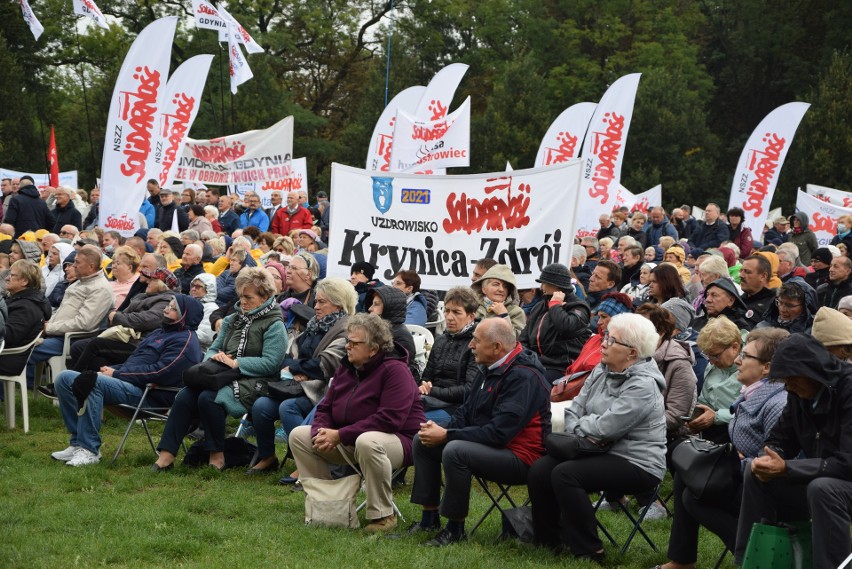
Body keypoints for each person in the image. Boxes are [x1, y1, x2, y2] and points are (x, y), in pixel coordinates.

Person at [527, 313, 666, 562]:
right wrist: (583, 428)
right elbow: (575, 408)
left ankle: (590, 550)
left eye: (612, 341)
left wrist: (583, 428)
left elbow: (606, 428)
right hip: (596, 449)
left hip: (637, 462)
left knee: (565, 474)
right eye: (606, 337)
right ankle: (549, 540)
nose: (603, 344)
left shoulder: (643, 386)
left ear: (632, 353)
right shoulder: (602, 369)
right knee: (540, 469)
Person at [409, 317, 550, 545]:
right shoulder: (491, 366)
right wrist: (442, 429)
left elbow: (499, 434)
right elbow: (466, 411)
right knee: (422, 439)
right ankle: (429, 518)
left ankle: (455, 530)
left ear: (497, 347)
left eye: (476, 340)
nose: (470, 345)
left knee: (455, 450)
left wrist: (447, 435)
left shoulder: (524, 377)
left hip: (521, 458)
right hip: (494, 447)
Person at [660, 328, 789, 569]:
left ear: (767, 368)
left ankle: (751, 557)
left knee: (694, 493)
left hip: (764, 489)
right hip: (746, 474)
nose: (739, 359)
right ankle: (684, 561)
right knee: (688, 471)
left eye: (747, 356)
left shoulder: (777, 404)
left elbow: (773, 463)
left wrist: (738, 460)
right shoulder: (755, 394)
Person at [289, 313, 424, 533]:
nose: (348, 347)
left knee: (367, 441)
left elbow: (389, 420)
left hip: (401, 442)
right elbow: (325, 407)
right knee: (299, 436)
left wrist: (340, 435)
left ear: (373, 348)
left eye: (354, 343)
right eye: (347, 341)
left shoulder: (395, 371)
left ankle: (383, 516)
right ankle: (329, 507)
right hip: (353, 438)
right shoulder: (347, 368)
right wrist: (320, 432)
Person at [734, 334, 852, 569]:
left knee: (823, 489)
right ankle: (753, 562)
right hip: (822, 478)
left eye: (791, 379)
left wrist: (789, 467)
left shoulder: (848, 389)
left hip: (843, 480)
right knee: (754, 472)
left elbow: (848, 463)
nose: (788, 386)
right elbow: (779, 438)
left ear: (811, 371)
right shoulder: (800, 393)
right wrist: (769, 456)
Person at [153, 268, 286, 471]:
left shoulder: (274, 324)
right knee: (185, 396)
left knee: (210, 398)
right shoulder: (233, 319)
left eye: (248, 297)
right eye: (241, 296)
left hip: (258, 381)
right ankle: (166, 455)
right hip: (223, 374)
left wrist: (237, 363)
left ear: (265, 297)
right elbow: (215, 347)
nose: (243, 301)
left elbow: (271, 363)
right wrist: (212, 360)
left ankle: (217, 455)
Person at [51, 295, 203, 467]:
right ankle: (77, 442)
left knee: (91, 381)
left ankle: (89, 449)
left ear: (185, 315)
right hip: (131, 385)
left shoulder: (185, 340)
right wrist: (114, 370)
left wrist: (117, 374)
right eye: (168, 305)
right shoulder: (159, 332)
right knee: (65, 378)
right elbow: (135, 362)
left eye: (173, 308)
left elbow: (160, 371)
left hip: (150, 396)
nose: (166, 309)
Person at [250, 277, 353, 475]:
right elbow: (288, 355)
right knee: (261, 406)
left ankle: (308, 462)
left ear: (338, 304)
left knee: (288, 408)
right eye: (316, 301)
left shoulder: (346, 329)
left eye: (323, 302)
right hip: (295, 386)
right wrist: (297, 369)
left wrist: (297, 369)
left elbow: (326, 365)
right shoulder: (314, 325)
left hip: (323, 391)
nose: (316, 306)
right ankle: (267, 456)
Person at [26, 246, 114, 388]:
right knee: (18, 338)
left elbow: (85, 324)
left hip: (71, 339)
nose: (73, 266)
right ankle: (20, 386)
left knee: (27, 348)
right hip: (57, 333)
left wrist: (50, 328)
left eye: (77, 263)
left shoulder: (100, 288)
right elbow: (64, 310)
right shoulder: (81, 281)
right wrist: (47, 323)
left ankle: (24, 388)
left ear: (91, 266)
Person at [417, 287, 479, 427]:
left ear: (471, 316)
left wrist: (433, 391)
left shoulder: (477, 343)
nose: (449, 316)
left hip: (458, 408)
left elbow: (469, 389)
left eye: (457, 312)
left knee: (414, 422)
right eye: (447, 310)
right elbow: (427, 377)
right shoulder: (441, 340)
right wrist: (424, 386)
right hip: (432, 401)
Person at [519, 263, 591, 381]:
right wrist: (527, 357)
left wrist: (555, 305)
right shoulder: (539, 306)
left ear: (556, 286)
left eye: (544, 283)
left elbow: (566, 326)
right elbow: (524, 337)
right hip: (536, 362)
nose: (541, 287)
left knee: (533, 382)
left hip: (561, 367)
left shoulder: (578, 306)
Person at [687, 315, 743, 443]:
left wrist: (717, 416)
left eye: (716, 356)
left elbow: (755, 413)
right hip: (712, 435)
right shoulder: (714, 364)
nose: (711, 362)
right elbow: (705, 399)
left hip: (738, 437)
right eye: (708, 356)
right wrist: (697, 418)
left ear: (735, 347)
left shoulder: (753, 366)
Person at [0, 260, 51, 377]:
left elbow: (8, 336)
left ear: (24, 281)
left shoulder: (27, 307)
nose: (7, 278)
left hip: (8, 358)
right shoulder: (19, 300)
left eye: (12, 275)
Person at [365, 286, 420, 381]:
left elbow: (392, 375)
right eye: (371, 304)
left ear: (388, 308)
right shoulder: (378, 331)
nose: (370, 308)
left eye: (376, 304)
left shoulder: (400, 338)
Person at [470, 263, 526, 336]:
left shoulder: (516, 312)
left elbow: (513, 340)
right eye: (496, 284)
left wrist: (504, 316)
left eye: (505, 286)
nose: (501, 289)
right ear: (484, 289)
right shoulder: (471, 306)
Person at [189, 273, 217, 351]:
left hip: (201, 350)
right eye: (192, 285)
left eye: (198, 286)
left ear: (208, 289)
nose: (193, 289)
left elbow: (206, 336)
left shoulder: (212, 308)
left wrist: (182, 332)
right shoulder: (188, 303)